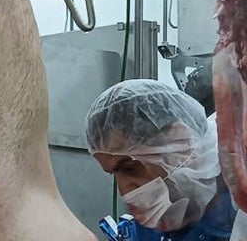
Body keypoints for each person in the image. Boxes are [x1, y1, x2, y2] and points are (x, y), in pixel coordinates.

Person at [86, 79, 238, 240]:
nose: (125, 191)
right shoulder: (147, 233)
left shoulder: (240, 208)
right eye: (113, 174)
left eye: (131, 167)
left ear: (181, 141)